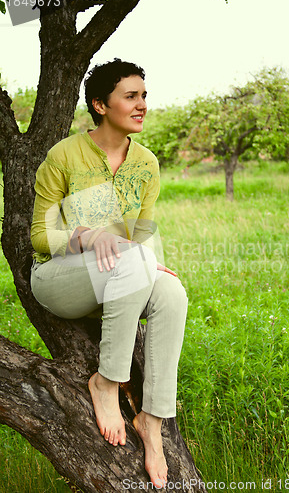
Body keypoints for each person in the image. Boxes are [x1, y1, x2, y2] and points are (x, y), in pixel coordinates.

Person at [30, 59, 188, 488]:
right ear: (100, 105)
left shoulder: (147, 164)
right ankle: (107, 382)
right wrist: (84, 234)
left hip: (121, 274)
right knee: (137, 262)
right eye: (130, 96)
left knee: (172, 291)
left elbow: (141, 234)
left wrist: (150, 263)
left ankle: (152, 420)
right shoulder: (64, 155)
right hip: (61, 279)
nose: (142, 105)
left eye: (144, 96)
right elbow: (39, 236)